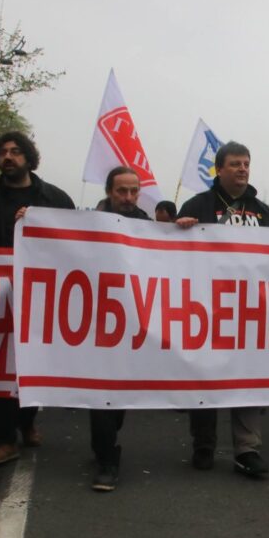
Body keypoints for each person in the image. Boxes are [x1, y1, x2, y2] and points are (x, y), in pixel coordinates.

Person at [0, 131, 75, 467]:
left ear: (28, 157)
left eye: (16, 151)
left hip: (39, 294)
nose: (9, 157)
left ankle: (26, 422)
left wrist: (39, 225)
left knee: (32, 361)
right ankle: (4, 438)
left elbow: (74, 240)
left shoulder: (54, 198)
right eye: (4, 152)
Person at [175, 141, 269, 477]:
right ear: (219, 169)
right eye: (235, 164)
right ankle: (204, 444)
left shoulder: (263, 211)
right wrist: (180, 231)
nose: (242, 169)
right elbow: (169, 252)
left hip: (250, 311)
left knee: (247, 378)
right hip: (206, 308)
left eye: (246, 164)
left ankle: (247, 450)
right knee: (205, 377)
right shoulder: (199, 205)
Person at [89, 167, 150, 492]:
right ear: (109, 191)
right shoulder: (87, 223)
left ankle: (104, 443)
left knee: (119, 394)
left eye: (133, 191)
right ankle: (106, 459)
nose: (128, 198)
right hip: (95, 321)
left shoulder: (148, 225)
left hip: (131, 322)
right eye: (121, 191)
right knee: (102, 392)